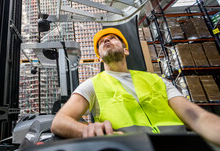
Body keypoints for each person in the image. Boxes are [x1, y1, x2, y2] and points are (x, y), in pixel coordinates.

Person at [51, 28, 220, 146]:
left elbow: (197, 117)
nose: (106, 41)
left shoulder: (156, 80)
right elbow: (60, 122)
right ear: (100, 58)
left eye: (112, 38)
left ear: (126, 51)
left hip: (178, 146)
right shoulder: (92, 85)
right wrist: (88, 129)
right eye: (102, 42)